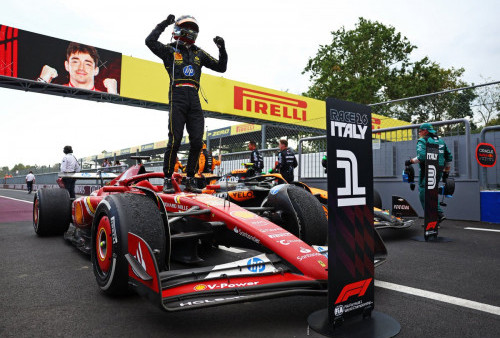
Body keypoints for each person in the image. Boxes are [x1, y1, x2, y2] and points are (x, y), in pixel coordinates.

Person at [146, 14, 227, 193]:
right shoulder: (169, 50)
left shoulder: (199, 53)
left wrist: (222, 48)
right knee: (174, 140)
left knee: (198, 142)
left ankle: (190, 179)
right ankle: (167, 178)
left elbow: (221, 67)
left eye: (193, 28)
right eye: (186, 27)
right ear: (178, 30)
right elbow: (149, 41)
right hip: (178, 96)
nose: (190, 31)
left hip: (195, 99)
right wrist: (165, 23)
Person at [405, 123, 452, 223]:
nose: (419, 132)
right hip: (439, 169)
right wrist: (446, 172)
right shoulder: (441, 141)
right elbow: (449, 158)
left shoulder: (422, 140)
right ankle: (437, 217)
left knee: (423, 192)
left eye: (420, 131)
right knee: (432, 190)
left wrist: (410, 161)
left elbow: (421, 156)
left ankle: (437, 215)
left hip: (428, 169)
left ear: (425, 131)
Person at [37, 42, 117, 94]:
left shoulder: (105, 96)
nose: (81, 68)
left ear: (96, 70)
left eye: (87, 64)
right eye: (75, 62)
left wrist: (114, 96)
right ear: (67, 65)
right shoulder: (54, 91)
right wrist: (41, 82)